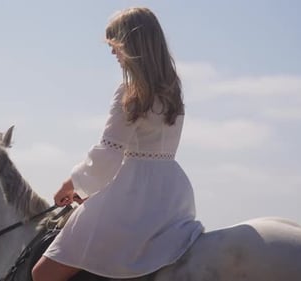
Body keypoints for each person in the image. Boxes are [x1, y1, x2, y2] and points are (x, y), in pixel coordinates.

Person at [32, 7, 204, 281]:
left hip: (132, 197)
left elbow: (107, 155)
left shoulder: (130, 93)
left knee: (43, 274)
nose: (113, 53)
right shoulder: (173, 89)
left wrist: (71, 184)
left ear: (131, 45)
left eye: (115, 45)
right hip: (173, 195)